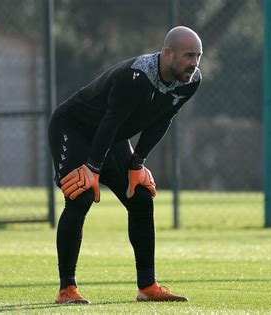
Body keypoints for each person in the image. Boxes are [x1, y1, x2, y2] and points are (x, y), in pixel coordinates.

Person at [48, 26, 202, 304]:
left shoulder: (190, 81)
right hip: (74, 128)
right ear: (167, 53)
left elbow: (162, 120)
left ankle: (147, 286)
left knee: (141, 197)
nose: (194, 63)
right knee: (80, 195)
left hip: (112, 135)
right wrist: (92, 169)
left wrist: (137, 163)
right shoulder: (137, 76)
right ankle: (67, 289)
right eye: (188, 55)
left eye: (198, 56)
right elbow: (110, 121)